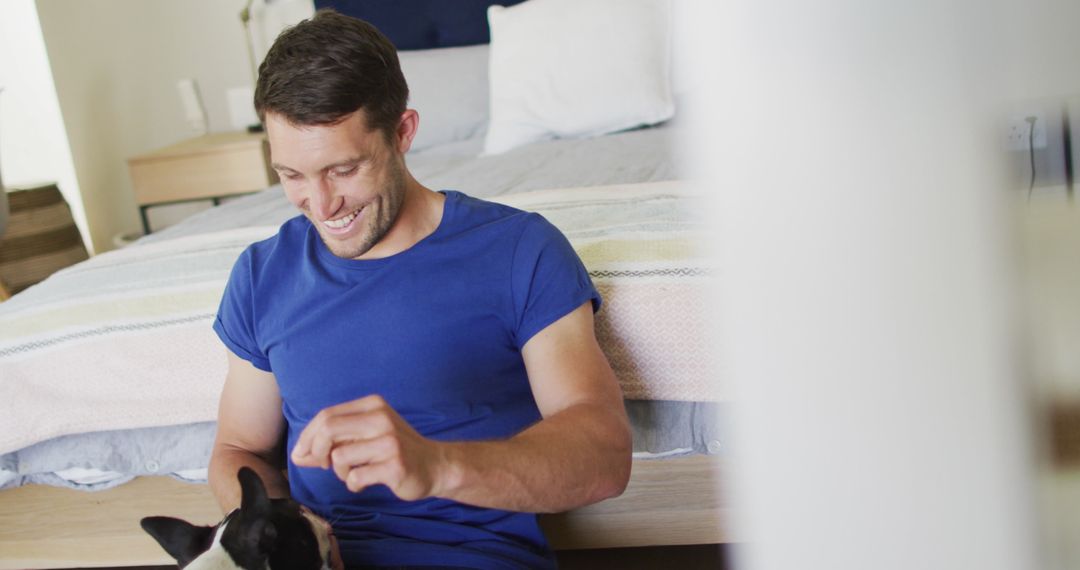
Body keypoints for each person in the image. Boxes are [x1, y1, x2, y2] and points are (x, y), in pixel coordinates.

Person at [207, 9, 631, 569]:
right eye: (291, 175)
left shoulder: (518, 250)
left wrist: (436, 466)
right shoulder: (264, 273)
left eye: (343, 169)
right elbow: (238, 448)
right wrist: (284, 537)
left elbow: (605, 455)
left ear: (404, 132)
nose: (321, 203)